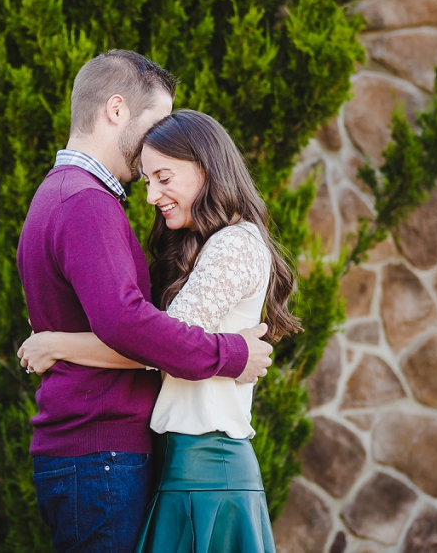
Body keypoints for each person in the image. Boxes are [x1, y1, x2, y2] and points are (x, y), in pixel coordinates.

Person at [15, 51, 274, 553]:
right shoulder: (85, 202)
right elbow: (131, 327)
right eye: (158, 120)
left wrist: (59, 343)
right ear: (116, 110)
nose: (162, 136)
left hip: (95, 452)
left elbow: (133, 326)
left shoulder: (61, 194)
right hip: (100, 453)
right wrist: (232, 354)